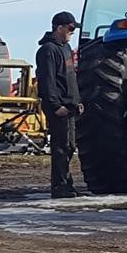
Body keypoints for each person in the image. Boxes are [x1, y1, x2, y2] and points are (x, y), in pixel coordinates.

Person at [36, 10, 86, 198]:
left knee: (69, 146)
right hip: (59, 108)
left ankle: (67, 184)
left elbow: (71, 78)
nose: (72, 32)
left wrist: (77, 101)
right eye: (70, 28)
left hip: (70, 105)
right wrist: (56, 106)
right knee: (61, 146)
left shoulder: (66, 49)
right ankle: (60, 186)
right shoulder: (48, 50)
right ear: (59, 28)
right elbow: (48, 81)